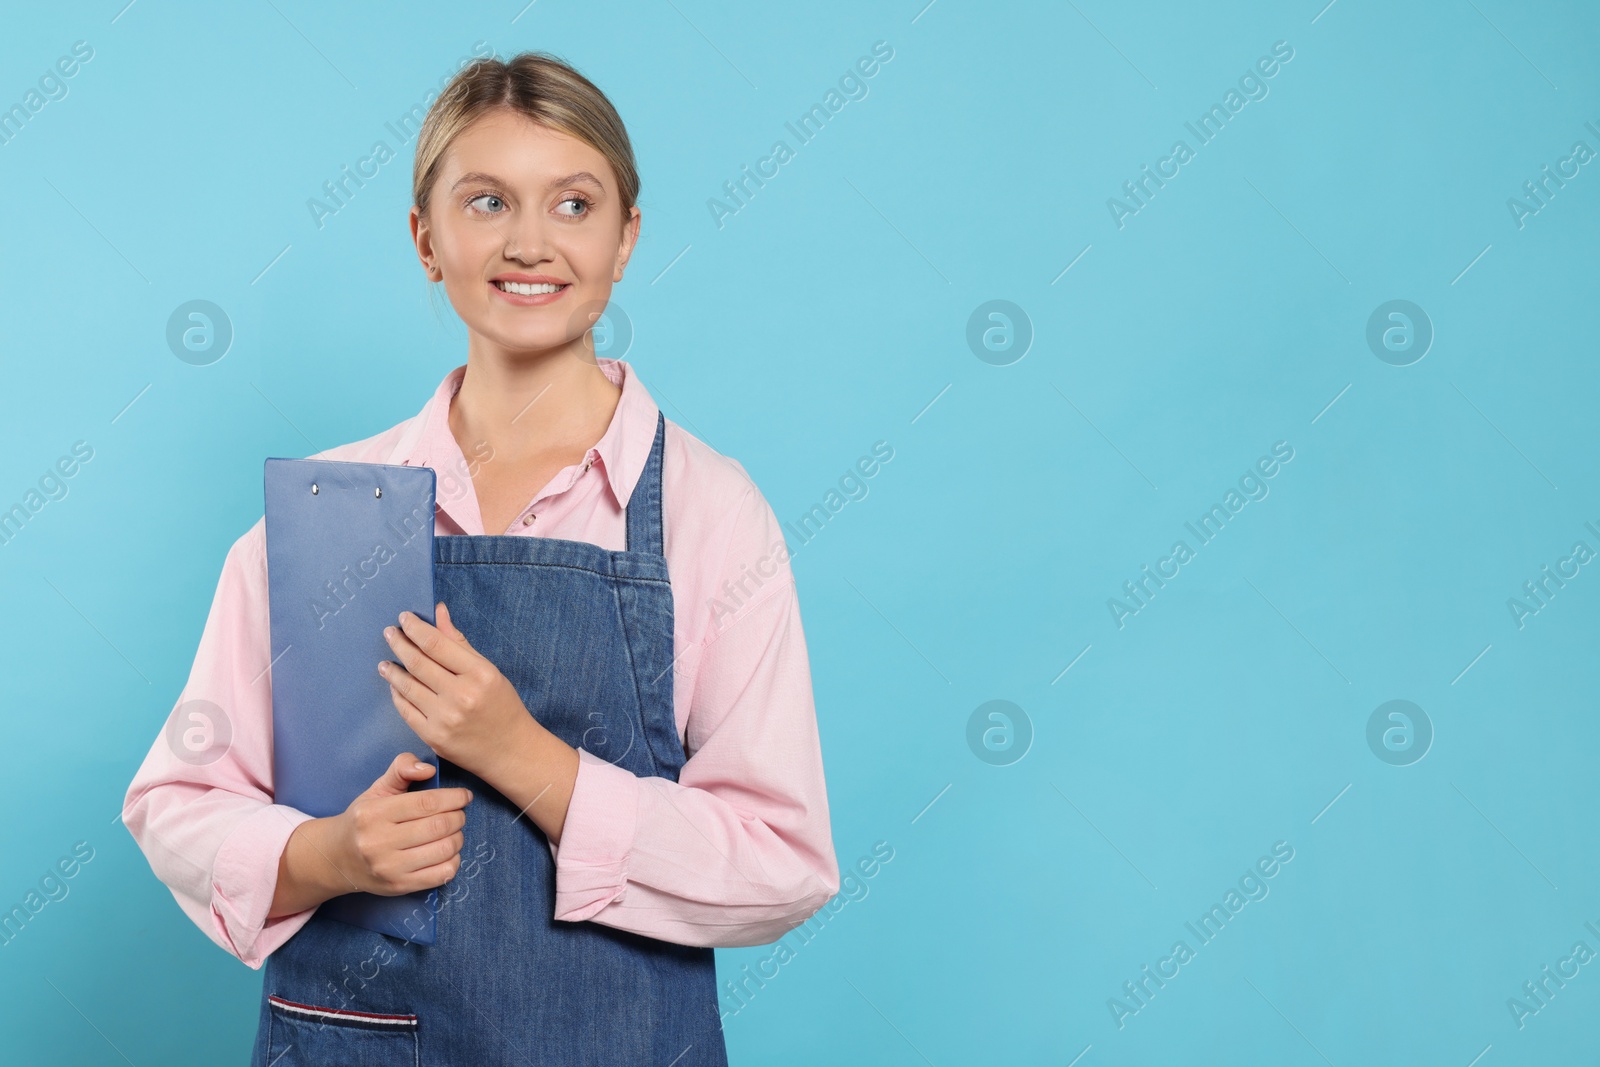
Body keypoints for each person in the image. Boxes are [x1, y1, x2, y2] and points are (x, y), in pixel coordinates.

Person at [121, 50, 839, 1066]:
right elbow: (176, 800)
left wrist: (523, 756)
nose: (530, 242)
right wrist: (326, 853)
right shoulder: (320, 514)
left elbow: (781, 861)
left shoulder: (707, 513)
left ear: (628, 237)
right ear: (427, 237)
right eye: (488, 200)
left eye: (575, 204)